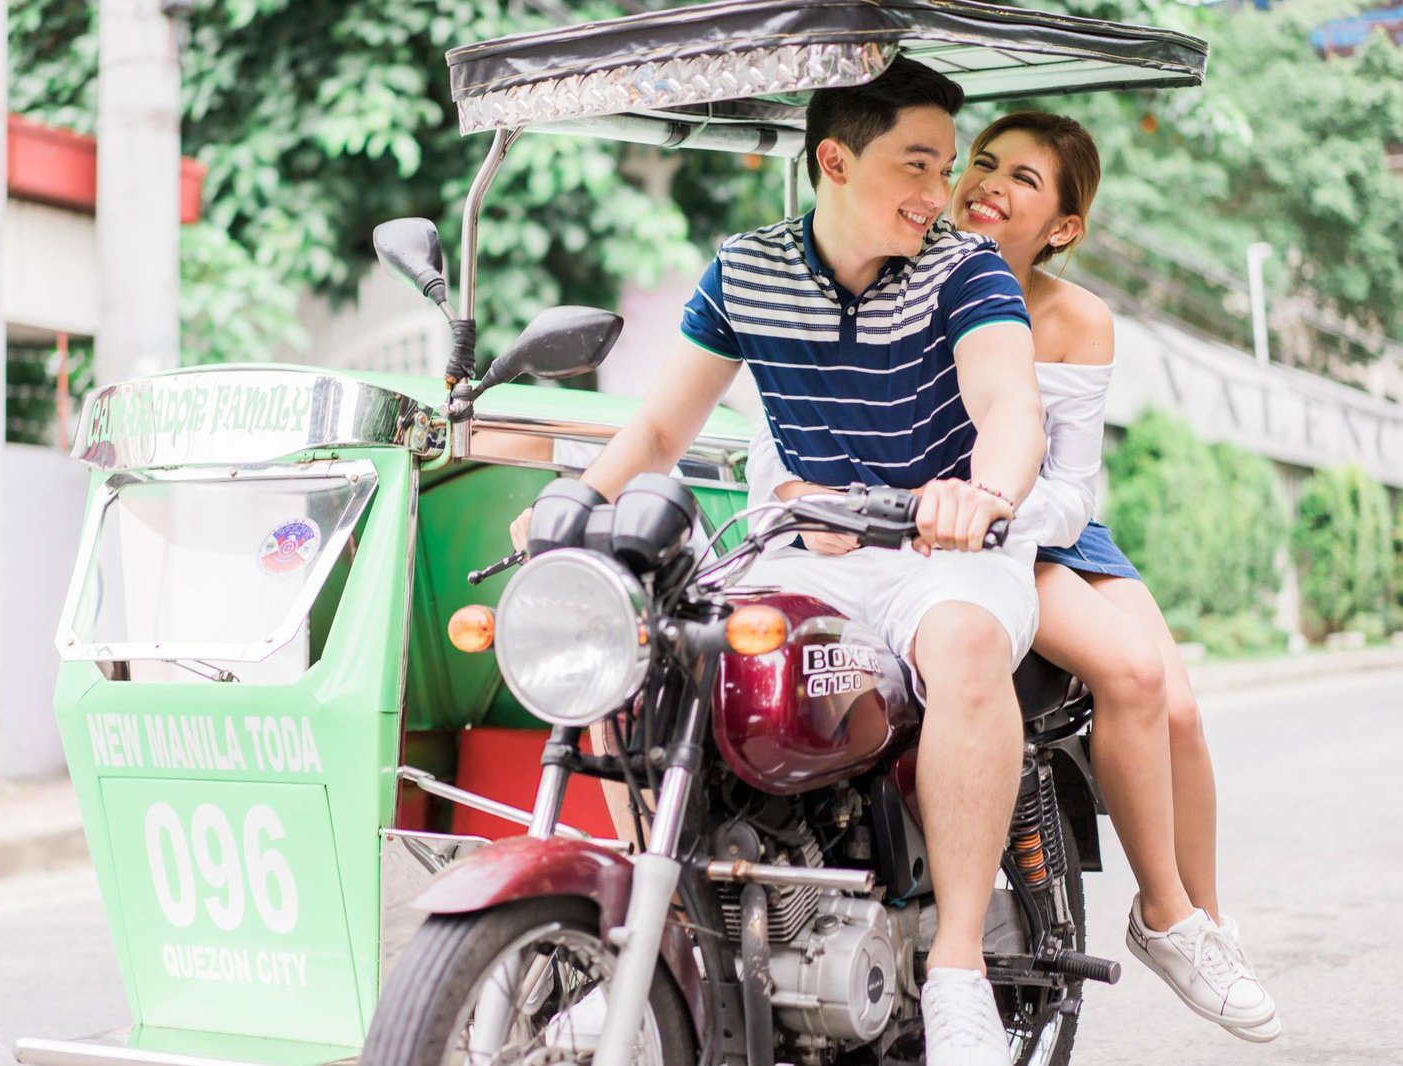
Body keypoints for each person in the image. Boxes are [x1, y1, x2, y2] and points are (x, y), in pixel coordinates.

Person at [513, 57, 1047, 1066]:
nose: (941, 194)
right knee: (657, 649)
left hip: (944, 553)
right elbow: (665, 422)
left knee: (968, 646)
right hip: (805, 553)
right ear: (834, 161)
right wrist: (575, 507)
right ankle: (670, 943)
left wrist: (983, 492)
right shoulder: (745, 268)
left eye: (945, 167)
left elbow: (1006, 404)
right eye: (917, 165)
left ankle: (961, 971)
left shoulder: (964, 270)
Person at [745, 110, 1280, 1041]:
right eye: (980, 164)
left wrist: (983, 511)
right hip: (907, 523)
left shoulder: (1076, 319)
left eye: (1023, 180)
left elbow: (1065, 488)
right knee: (1134, 673)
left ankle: (1186, 917)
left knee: (1170, 697)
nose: (987, 183)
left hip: (1035, 526)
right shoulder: (898, 262)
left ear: (1063, 227)